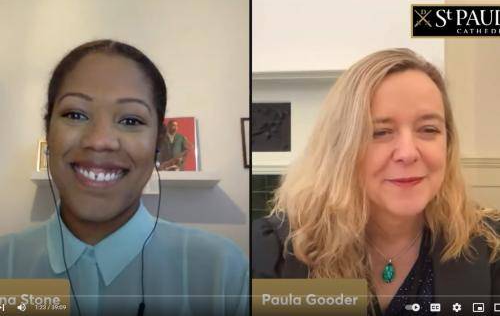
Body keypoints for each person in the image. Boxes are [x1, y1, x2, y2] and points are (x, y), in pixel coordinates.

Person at [0, 40, 248, 316]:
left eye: (131, 121)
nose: (100, 141)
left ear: (158, 142)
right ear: (48, 132)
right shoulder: (6, 263)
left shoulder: (223, 272)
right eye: (75, 114)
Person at [252, 48, 499, 315]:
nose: (408, 153)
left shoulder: (490, 247)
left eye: (429, 129)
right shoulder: (274, 251)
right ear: (340, 148)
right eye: (380, 132)